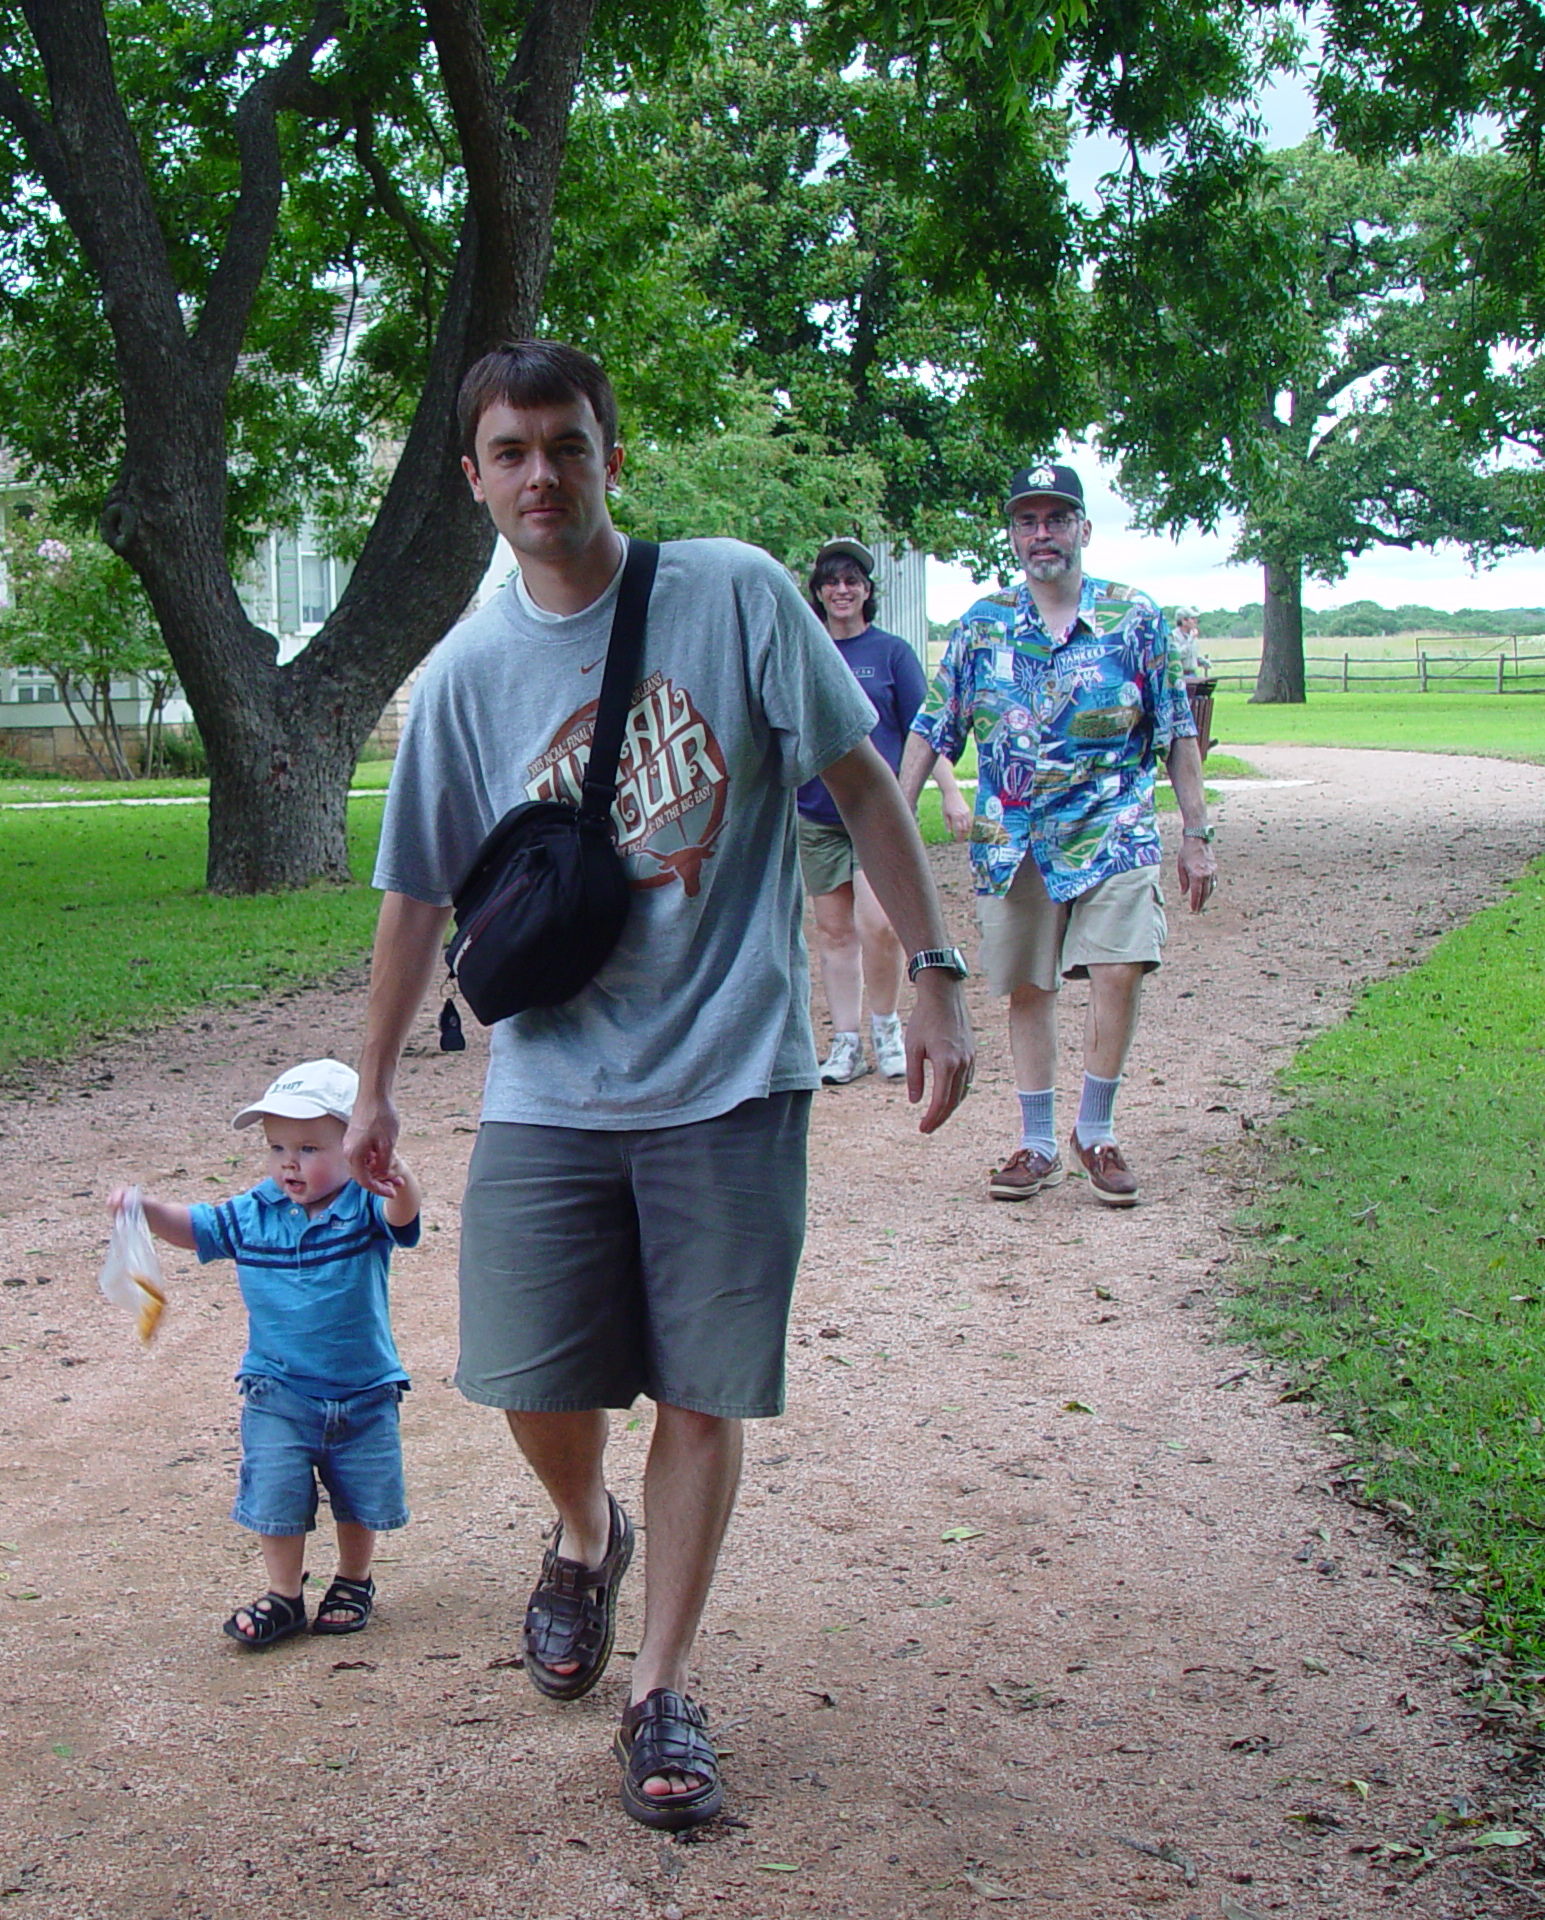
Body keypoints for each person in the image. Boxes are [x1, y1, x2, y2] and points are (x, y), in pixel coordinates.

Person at [347, 340, 973, 1832]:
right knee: (527, 1374)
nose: (541, 474)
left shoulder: (736, 594)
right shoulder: (466, 677)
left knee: (703, 1386)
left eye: (566, 444)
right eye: (511, 452)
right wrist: (372, 1082)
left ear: (610, 455)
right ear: (475, 478)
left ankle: (664, 1687)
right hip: (552, 1086)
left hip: (730, 1081)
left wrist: (937, 967)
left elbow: (864, 780)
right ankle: (584, 1528)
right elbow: (414, 895)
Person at [898, 460, 1216, 1208]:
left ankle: (1095, 1131)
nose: (1043, 534)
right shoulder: (982, 624)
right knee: (1028, 987)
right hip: (1014, 835)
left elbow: (1176, 733)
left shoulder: (1135, 618)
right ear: (1012, 533)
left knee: (1120, 966)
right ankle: (1038, 1143)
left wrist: (1197, 833)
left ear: (1084, 530)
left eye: (1058, 519)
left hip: (1115, 823)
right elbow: (931, 729)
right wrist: (893, 825)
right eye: (1028, 521)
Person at [111, 1059, 422, 1648]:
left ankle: (354, 1580)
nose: (288, 1162)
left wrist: (395, 1171)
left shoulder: (364, 1203)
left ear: (357, 1149)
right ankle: (284, 1595)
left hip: (363, 1388)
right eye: (277, 1146)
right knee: (276, 1491)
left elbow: (403, 1215)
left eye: (309, 1147)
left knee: (358, 1494)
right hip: (277, 1391)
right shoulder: (253, 1213)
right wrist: (146, 1211)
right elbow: (195, 1226)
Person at [797, 538, 972, 1084]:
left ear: (868, 591)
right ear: (819, 591)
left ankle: (887, 1027)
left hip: (875, 813)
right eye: (831, 581)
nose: (841, 590)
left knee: (881, 925)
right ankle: (845, 1042)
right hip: (815, 812)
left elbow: (926, 730)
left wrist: (949, 790)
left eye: (852, 581)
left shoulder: (891, 652)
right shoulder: (807, 650)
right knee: (833, 931)